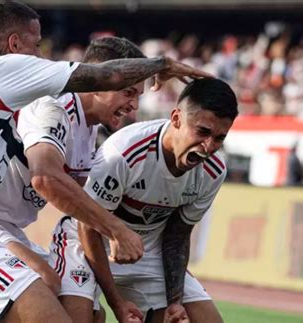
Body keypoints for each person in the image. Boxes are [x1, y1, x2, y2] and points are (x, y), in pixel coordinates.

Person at [0, 0, 212, 321]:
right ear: (14, 44)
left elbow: (75, 201)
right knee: (49, 293)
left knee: (87, 312)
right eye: (35, 47)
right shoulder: (9, 76)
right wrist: (160, 65)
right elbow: (107, 77)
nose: (39, 57)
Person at [52, 78, 238, 323]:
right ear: (176, 119)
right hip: (85, 243)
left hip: (149, 252)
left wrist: (174, 302)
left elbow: (178, 235)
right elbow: (87, 226)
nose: (208, 146)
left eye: (219, 138)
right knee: (78, 318)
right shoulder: (124, 153)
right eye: (202, 132)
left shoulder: (213, 171)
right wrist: (116, 301)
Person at [0, 36, 147, 323]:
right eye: (128, 92)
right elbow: (45, 180)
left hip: (9, 228)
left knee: (92, 313)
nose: (133, 106)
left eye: (138, 96)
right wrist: (118, 231)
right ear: (99, 83)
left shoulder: (89, 131)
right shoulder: (53, 107)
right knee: (44, 280)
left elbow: (85, 212)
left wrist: (116, 302)